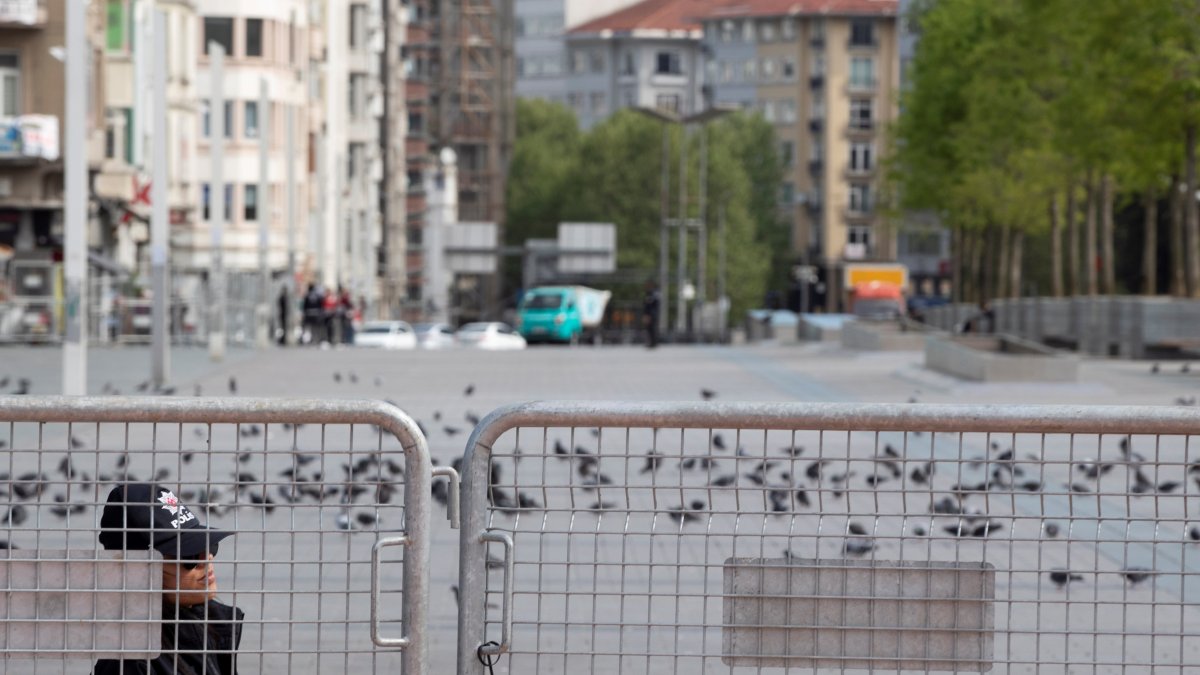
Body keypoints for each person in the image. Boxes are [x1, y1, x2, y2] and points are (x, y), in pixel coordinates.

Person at [93, 484, 242, 675]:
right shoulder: (134, 663)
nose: (207, 559)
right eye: (188, 555)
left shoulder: (206, 630)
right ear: (140, 572)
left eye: (208, 545)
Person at [642, 281, 660, 349]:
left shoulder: (653, 294)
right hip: (650, 313)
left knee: (652, 328)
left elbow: (650, 305)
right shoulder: (650, 294)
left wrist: (647, 315)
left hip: (652, 314)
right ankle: (651, 342)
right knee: (649, 329)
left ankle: (653, 343)